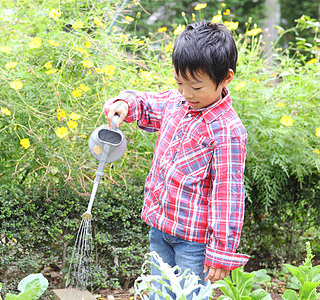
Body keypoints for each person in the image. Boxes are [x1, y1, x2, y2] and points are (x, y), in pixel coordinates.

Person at [103, 21, 249, 299]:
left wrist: (222, 252)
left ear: (226, 78)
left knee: (189, 295)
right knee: (160, 293)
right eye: (180, 83)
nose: (186, 93)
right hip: (160, 228)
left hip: (193, 242)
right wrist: (124, 104)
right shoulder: (177, 103)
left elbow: (227, 196)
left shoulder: (228, 132)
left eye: (196, 86)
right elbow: (146, 103)